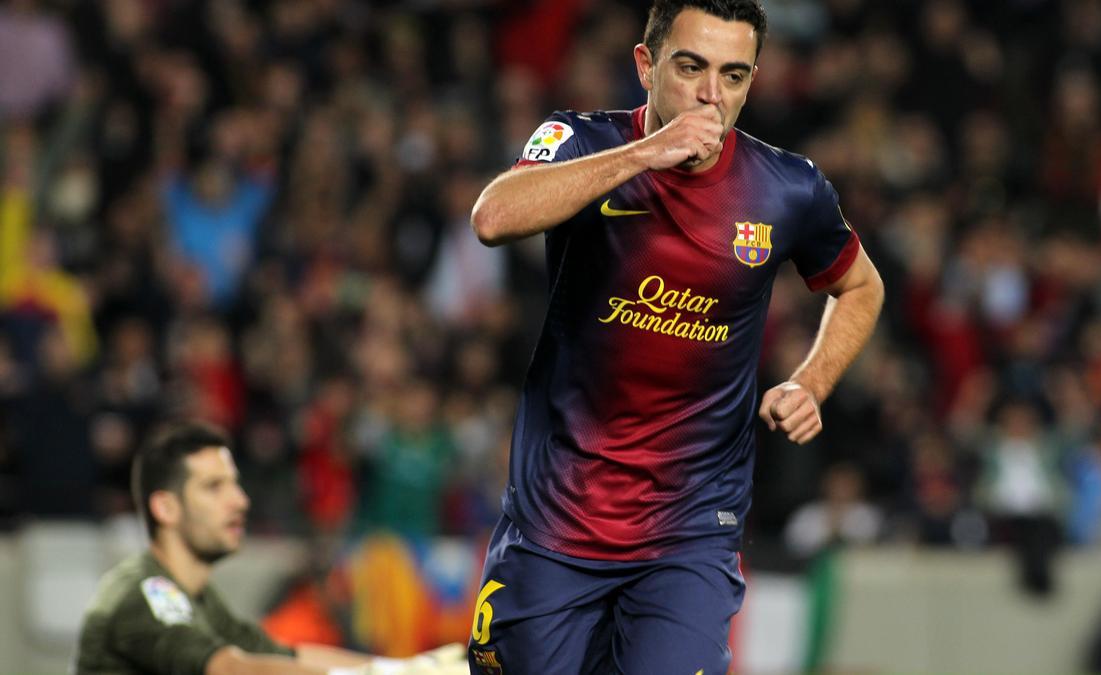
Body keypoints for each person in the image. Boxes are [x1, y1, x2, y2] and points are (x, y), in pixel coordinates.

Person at [466, 1, 885, 672]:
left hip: (689, 533)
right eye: (691, 67)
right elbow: (493, 216)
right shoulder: (579, 137)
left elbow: (861, 286)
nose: (711, 95)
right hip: (555, 524)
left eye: (734, 74)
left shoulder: (787, 188)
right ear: (646, 64)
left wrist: (812, 379)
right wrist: (647, 154)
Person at [74, 421, 466, 675]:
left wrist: (407, 667)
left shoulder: (201, 600)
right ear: (165, 508)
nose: (240, 501)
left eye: (235, 484)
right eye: (214, 487)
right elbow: (230, 669)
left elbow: (286, 658)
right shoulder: (144, 592)